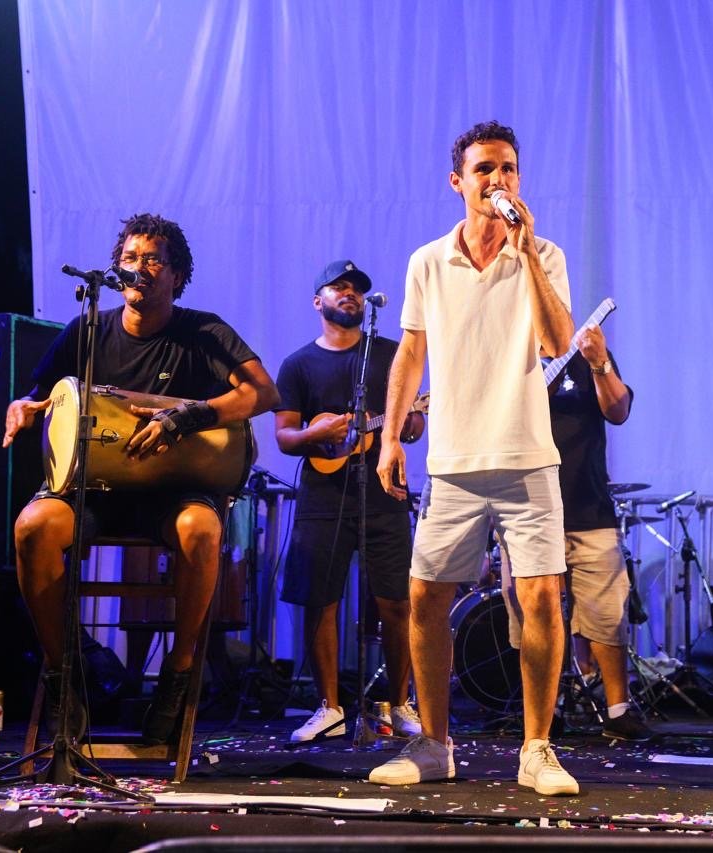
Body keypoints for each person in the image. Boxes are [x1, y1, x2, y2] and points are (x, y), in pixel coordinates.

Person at [2, 213, 280, 745]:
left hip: (173, 491)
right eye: (130, 258)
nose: (140, 268)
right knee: (33, 527)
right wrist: (22, 406)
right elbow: (36, 395)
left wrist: (189, 416)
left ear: (178, 275)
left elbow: (264, 394)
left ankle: (177, 676)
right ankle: (64, 678)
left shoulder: (203, 332)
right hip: (95, 489)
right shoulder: (88, 329)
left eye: (153, 259)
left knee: (202, 530)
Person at [366, 120, 579, 795]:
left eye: (508, 168)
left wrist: (527, 253)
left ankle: (537, 749)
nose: (498, 180)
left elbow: (558, 343)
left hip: (526, 455)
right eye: (485, 169)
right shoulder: (428, 261)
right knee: (425, 595)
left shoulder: (544, 253)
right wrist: (390, 436)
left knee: (541, 596)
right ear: (457, 181)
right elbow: (411, 352)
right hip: (454, 460)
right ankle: (434, 744)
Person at [274, 259, 425, 743]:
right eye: (338, 287)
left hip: (385, 491)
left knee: (396, 600)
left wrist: (410, 422)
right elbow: (284, 435)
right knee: (320, 600)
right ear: (317, 301)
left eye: (356, 288)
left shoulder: (391, 353)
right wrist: (314, 434)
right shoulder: (298, 364)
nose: (350, 294)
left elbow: (414, 424)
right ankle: (329, 707)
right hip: (322, 496)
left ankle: (399, 705)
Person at [499, 323, 653, 742]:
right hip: (524, 511)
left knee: (607, 612)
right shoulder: (508, 352)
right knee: (531, 614)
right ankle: (542, 712)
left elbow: (618, 411)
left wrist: (599, 362)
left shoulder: (585, 354)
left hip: (589, 507)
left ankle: (618, 709)